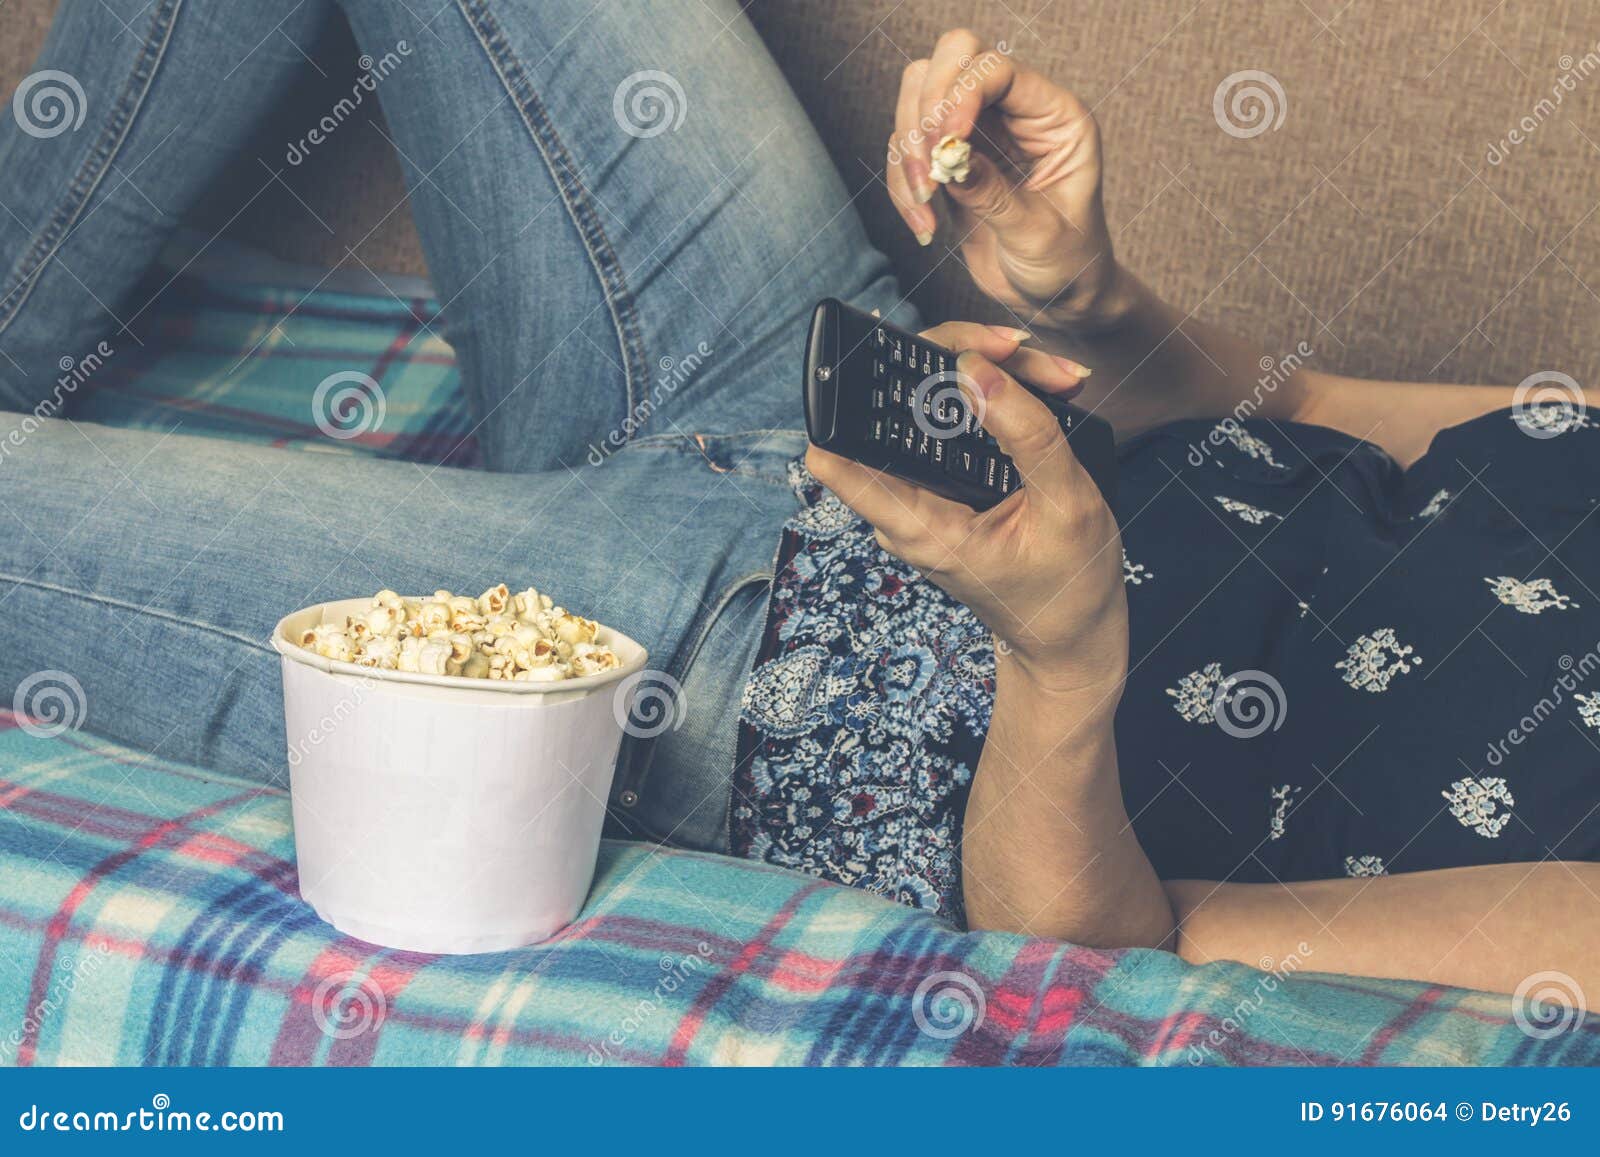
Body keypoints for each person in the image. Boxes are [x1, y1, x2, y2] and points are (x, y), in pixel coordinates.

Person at [1, 2, 1594, 1001]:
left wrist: (1060, 655)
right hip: (820, 380)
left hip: (712, 685)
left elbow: (1114, 965)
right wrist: (1093, 296)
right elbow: (1297, 406)